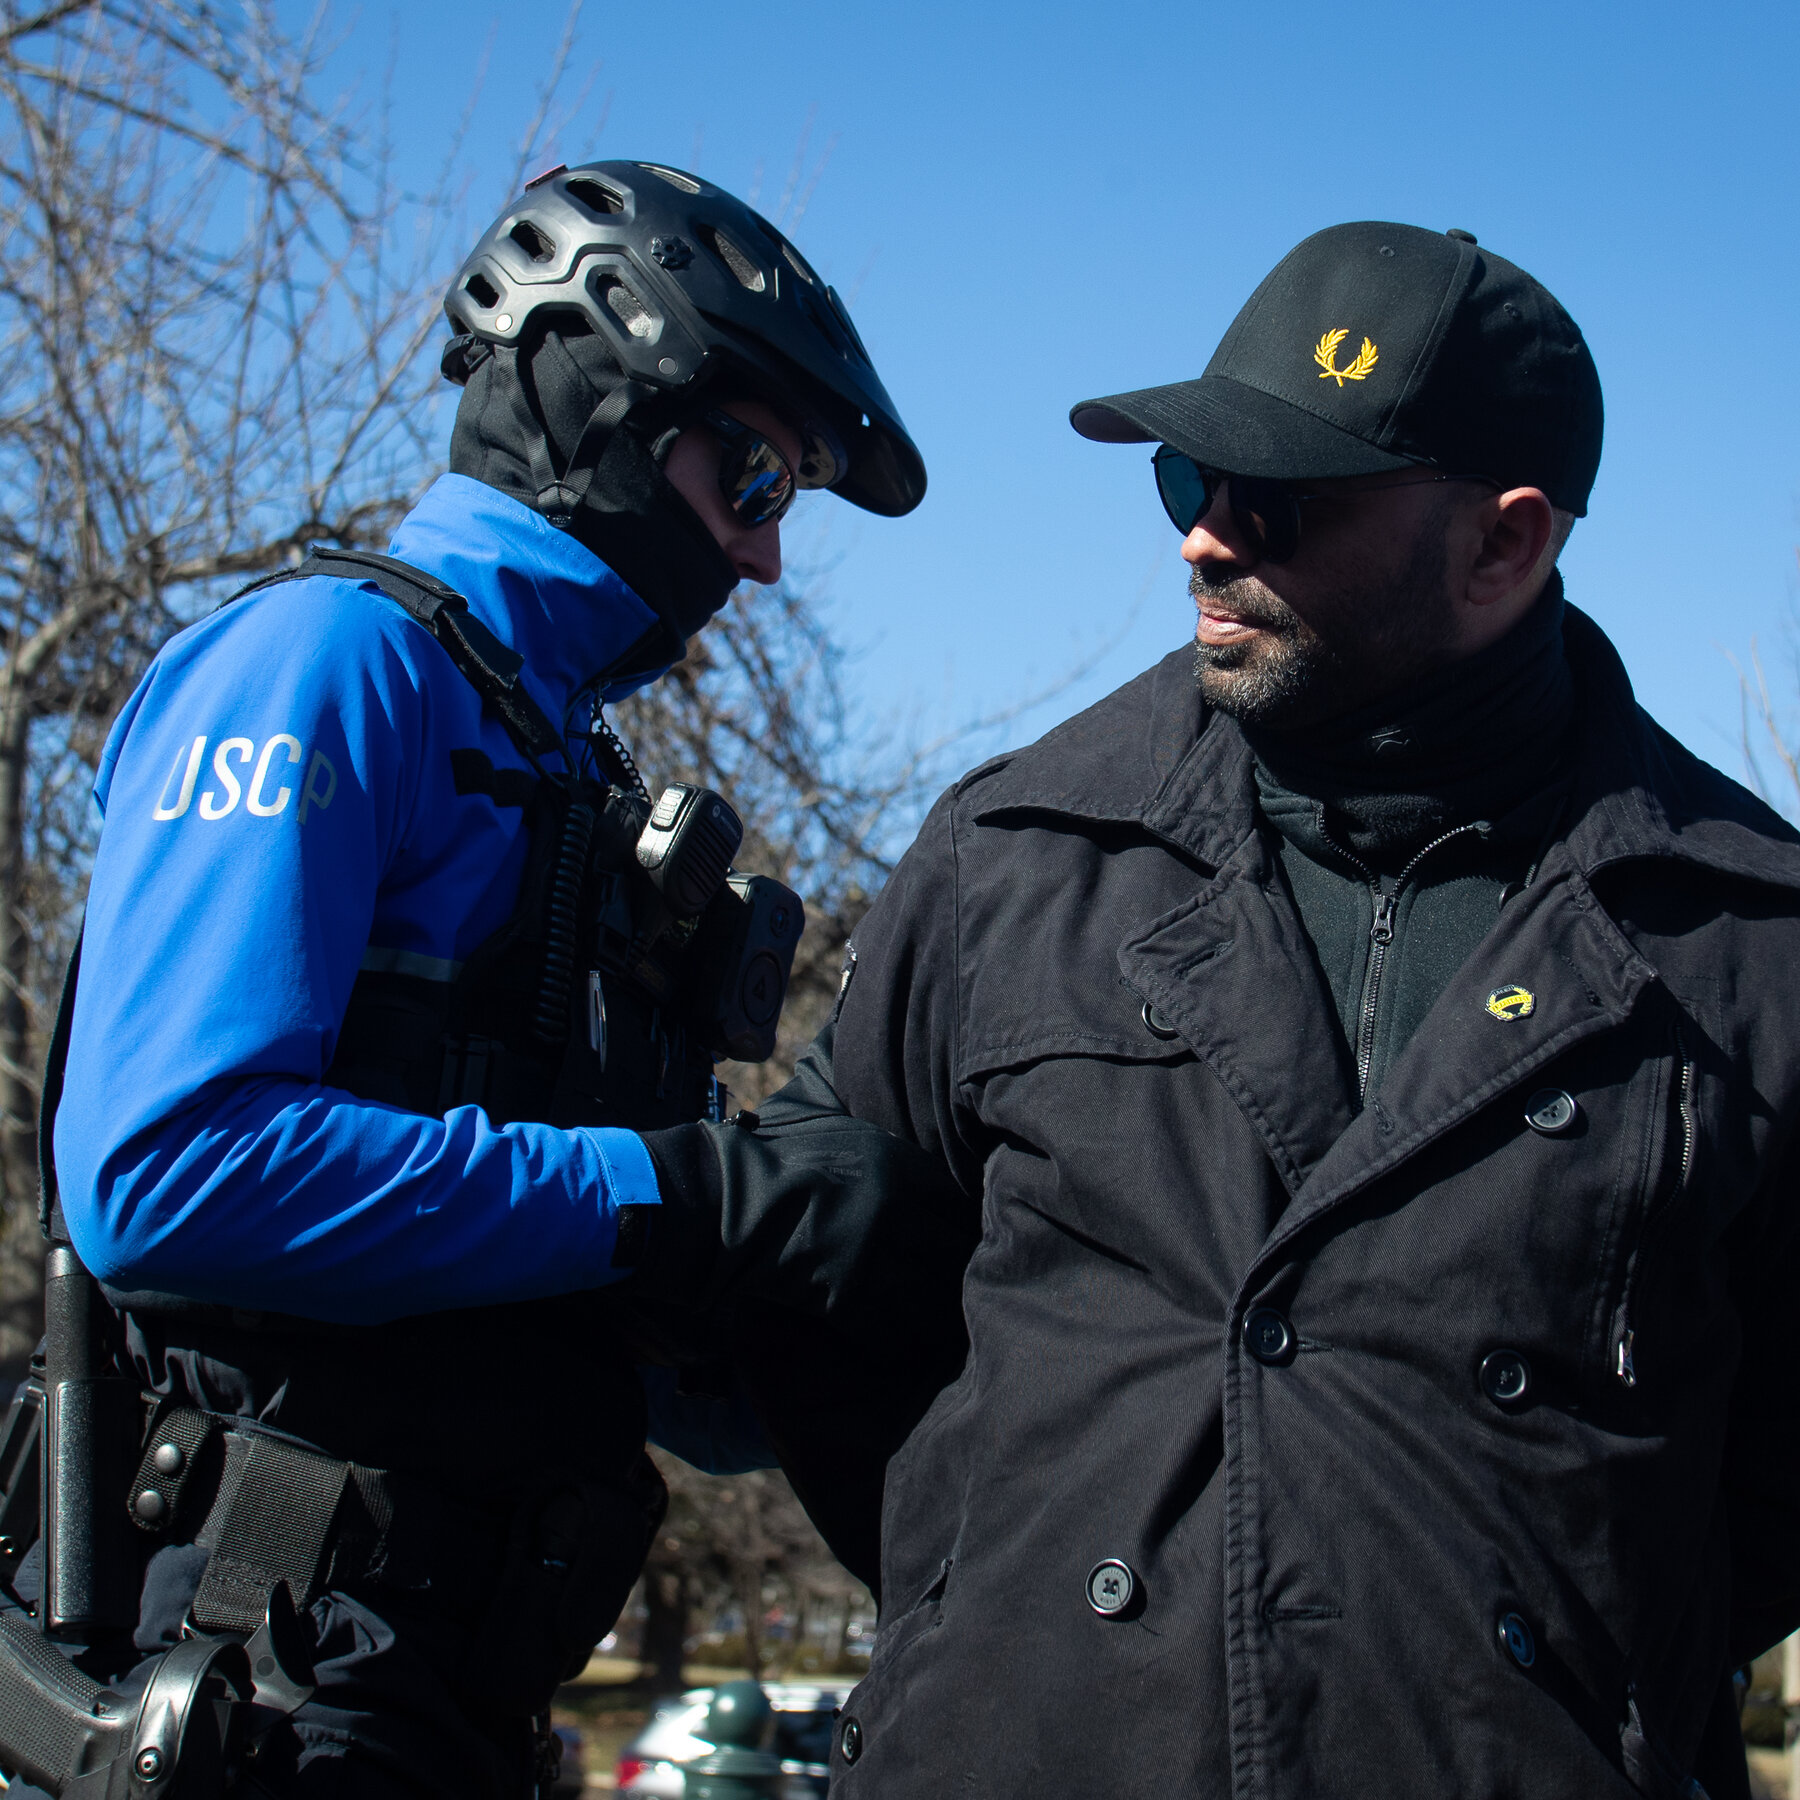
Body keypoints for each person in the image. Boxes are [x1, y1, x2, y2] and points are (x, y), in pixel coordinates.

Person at [647, 223, 1800, 1797]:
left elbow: (1772, 1491)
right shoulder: (1011, 857)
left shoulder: (1747, 936)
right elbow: (833, 1303)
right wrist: (993, 1605)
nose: (1202, 540)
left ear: (1505, 544)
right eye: (1187, 484)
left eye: (1277, 500)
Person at [15, 161, 947, 1799]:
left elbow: (605, 1304)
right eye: (751, 475)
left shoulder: (566, 772)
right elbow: (159, 1169)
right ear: (598, 389)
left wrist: (816, 1277)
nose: (765, 558)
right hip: (237, 1670)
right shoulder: (327, 662)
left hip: (438, 1691)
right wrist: (668, 1200)